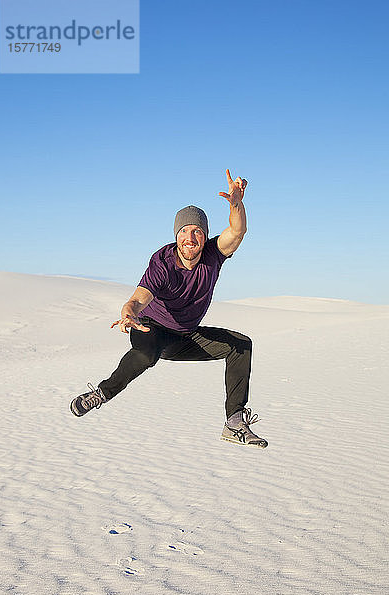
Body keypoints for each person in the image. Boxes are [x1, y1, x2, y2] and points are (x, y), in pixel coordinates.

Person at [70, 169, 268, 447]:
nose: (190, 237)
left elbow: (237, 231)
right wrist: (129, 313)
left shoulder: (213, 255)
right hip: (151, 329)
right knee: (146, 354)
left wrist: (236, 204)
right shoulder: (162, 262)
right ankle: (102, 394)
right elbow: (140, 297)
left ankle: (234, 423)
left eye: (197, 231)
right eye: (184, 231)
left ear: (205, 236)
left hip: (186, 337)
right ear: (176, 235)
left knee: (240, 345)